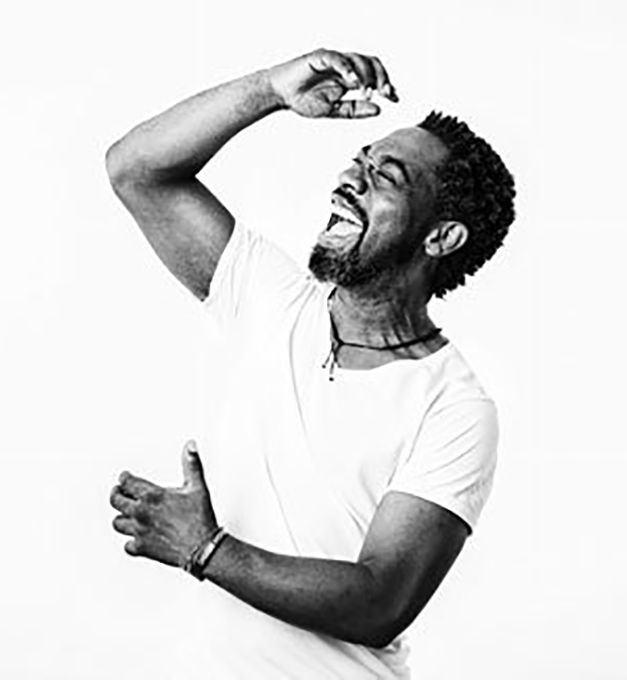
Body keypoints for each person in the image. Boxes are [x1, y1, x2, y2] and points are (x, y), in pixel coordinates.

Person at [107, 48, 515, 679]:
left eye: (385, 177)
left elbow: (382, 601)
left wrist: (206, 549)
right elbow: (137, 169)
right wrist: (272, 90)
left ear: (440, 237)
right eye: (360, 161)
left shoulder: (454, 406)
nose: (350, 179)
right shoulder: (270, 300)